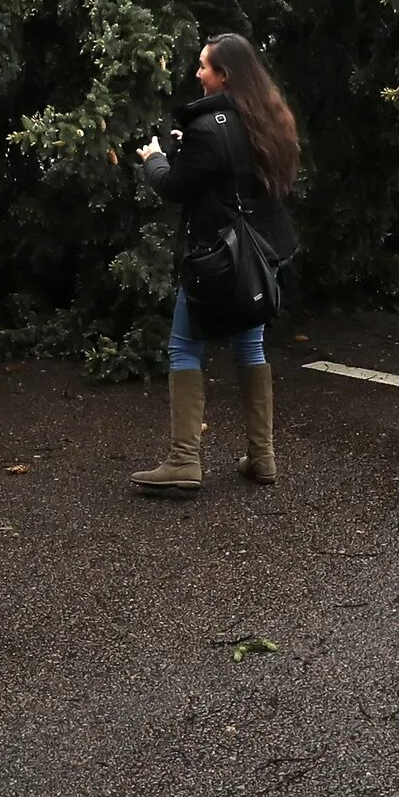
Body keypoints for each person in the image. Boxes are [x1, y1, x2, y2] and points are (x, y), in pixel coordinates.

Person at [129, 33, 300, 495]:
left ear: (223, 75)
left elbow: (177, 186)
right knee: (250, 348)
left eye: (204, 66)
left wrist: (155, 159)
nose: (197, 73)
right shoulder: (269, 118)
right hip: (258, 258)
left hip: (214, 259)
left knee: (184, 348)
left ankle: (184, 461)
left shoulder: (209, 127)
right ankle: (262, 456)